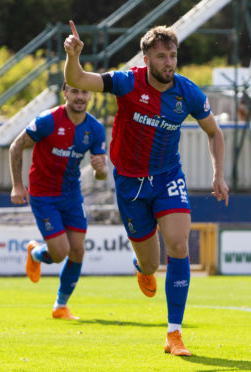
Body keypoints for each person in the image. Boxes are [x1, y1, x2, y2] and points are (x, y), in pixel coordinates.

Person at [64, 20, 229, 356]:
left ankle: (174, 333)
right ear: (147, 59)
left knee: (179, 244)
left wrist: (218, 174)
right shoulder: (127, 82)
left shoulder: (188, 92)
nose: (168, 62)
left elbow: (214, 132)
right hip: (129, 184)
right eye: (161, 56)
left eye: (172, 55)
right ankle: (142, 267)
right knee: (152, 264)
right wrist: (74, 57)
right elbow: (77, 79)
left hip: (168, 177)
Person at [9, 82, 108, 320]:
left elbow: (101, 174)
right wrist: (17, 185)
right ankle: (36, 254)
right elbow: (16, 146)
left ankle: (60, 306)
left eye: (84, 91)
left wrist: (101, 169)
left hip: (72, 194)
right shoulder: (47, 120)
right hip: (43, 195)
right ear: (65, 93)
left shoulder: (95, 129)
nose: (80, 96)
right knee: (61, 252)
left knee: (78, 251)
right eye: (74, 91)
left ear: (90, 96)